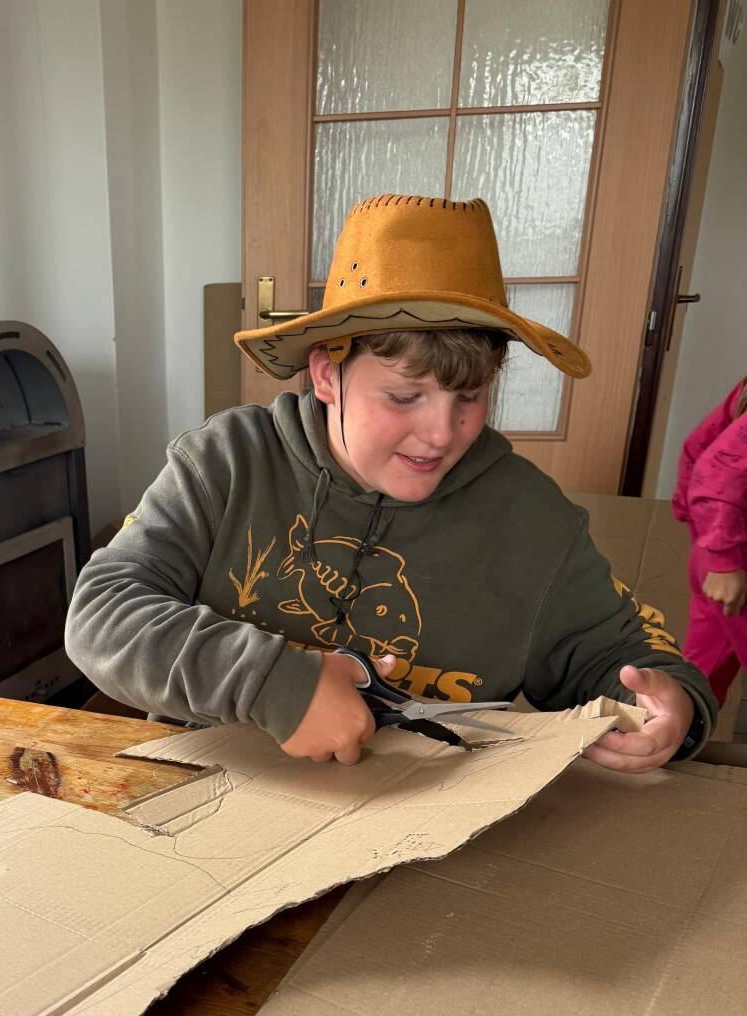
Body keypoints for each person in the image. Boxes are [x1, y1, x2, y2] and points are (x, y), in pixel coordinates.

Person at [66, 193, 715, 772]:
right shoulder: (226, 462)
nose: (440, 434)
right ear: (327, 375)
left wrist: (671, 707)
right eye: (404, 397)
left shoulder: (532, 518)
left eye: (468, 397)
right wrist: (274, 682)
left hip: (423, 822)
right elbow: (101, 615)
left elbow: (619, 656)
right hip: (207, 790)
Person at [672, 376, 747, 706]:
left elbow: (697, 446)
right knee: (701, 675)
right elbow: (717, 469)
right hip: (731, 561)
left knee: (700, 676)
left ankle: (665, 732)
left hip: (723, 557)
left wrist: (706, 541)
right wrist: (722, 557)